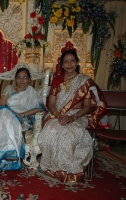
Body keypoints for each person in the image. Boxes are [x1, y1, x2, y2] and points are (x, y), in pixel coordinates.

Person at [38, 49, 107, 183]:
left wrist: (73, 117)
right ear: (62, 65)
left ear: (77, 63)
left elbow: (87, 106)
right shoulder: (57, 80)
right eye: (66, 62)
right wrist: (59, 116)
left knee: (69, 134)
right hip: (57, 115)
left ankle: (69, 170)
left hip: (77, 116)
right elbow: (51, 104)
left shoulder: (84, 81)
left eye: (72, 61)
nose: (69, 64)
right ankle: (51, 166)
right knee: (51, 131)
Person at [0, 68, 46, 172]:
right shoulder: (9, 88)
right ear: (15, 79)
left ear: (29, 79)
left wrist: (22, 114)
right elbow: (1, 104)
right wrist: (12, 114)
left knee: (7, 124)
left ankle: (9, 157)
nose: (22, 80)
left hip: (22, 118)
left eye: (25, 77)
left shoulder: (31, 92)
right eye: (19, 77)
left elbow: (40, 108)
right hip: (5, 114)